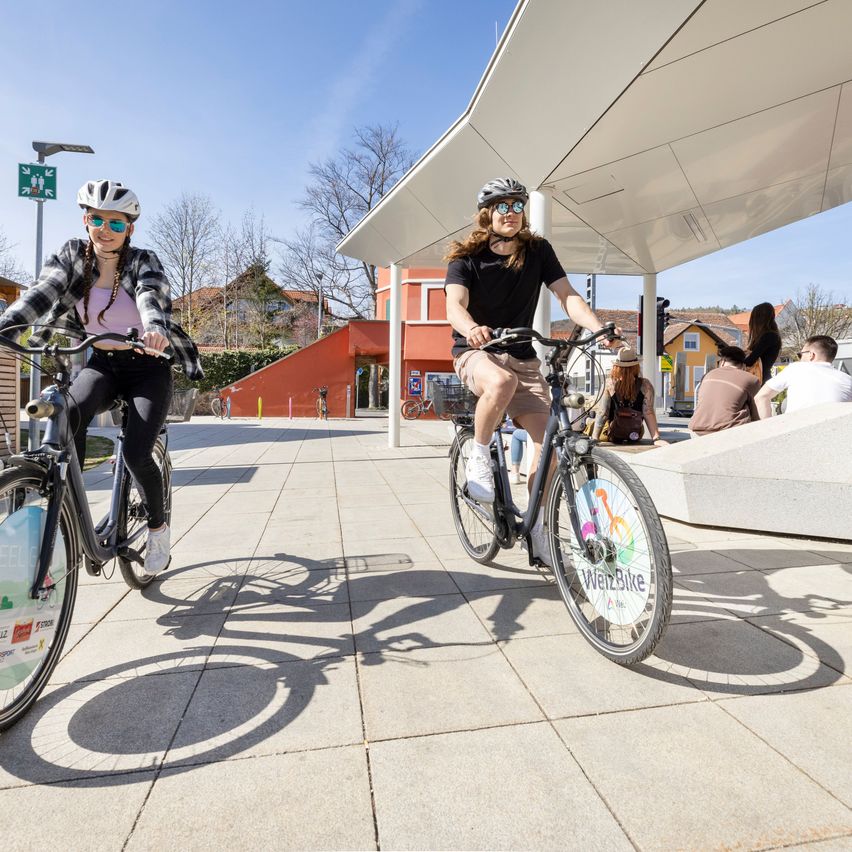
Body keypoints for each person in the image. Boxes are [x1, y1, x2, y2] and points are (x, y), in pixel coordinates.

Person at [0, 179, 203, 579]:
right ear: (85, 221)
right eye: (97, 220)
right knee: (68, 415)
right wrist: (6, 328)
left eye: (116, 223)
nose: (105, 229)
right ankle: (70, 509)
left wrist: (155, 330)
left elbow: (151, 296)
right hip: (103, 363)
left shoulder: (143, 260)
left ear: (130, 228)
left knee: (137, 453)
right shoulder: (72, 256)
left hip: (148, 366)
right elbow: (43, 292)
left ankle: (158, 530)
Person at [444, 177, 618, 564]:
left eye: (517, 205)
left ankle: (537, 529)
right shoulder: (466, 258)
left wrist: (598, 328)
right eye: (502, 206)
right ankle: (479, 456)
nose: (511, 212)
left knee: (550, 446)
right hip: (477, 352)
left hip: (524, 359)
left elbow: (567, 295)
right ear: (487, 214)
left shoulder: (538, 251)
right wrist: (471, 328)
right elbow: (454, 305)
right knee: (500, 381)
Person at [755, 335, 852, 417]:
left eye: (800, 355)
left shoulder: (796, 368)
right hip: (835, 431)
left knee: (784, 404)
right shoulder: (847, 380)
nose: (799, 359)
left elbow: (761, 396)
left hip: (795, 430)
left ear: (811, 355)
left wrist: (769, 428)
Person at [592, 347, 669, 446]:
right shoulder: (646, 385)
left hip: (613, 433)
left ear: (616, 367)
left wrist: (595, 438)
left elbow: (603, 413)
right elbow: (648, 412)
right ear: (636, 366)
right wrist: (656, 439)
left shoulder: (609, 384)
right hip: (635, 434)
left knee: (589, 422)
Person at [688, 345, 760, 435]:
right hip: (729, 431)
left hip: (697, 429)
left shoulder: (707, 375)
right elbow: (756, 411)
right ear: (743, 365)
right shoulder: (751, 379)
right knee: (746, 402)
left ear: (722, 362)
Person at [743, 302, 782, 383]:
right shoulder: (771, 336)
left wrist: (733, 360)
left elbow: (750, 361)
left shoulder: (769, 336)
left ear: (758, 319)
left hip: (759, 380)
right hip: (762, 379)